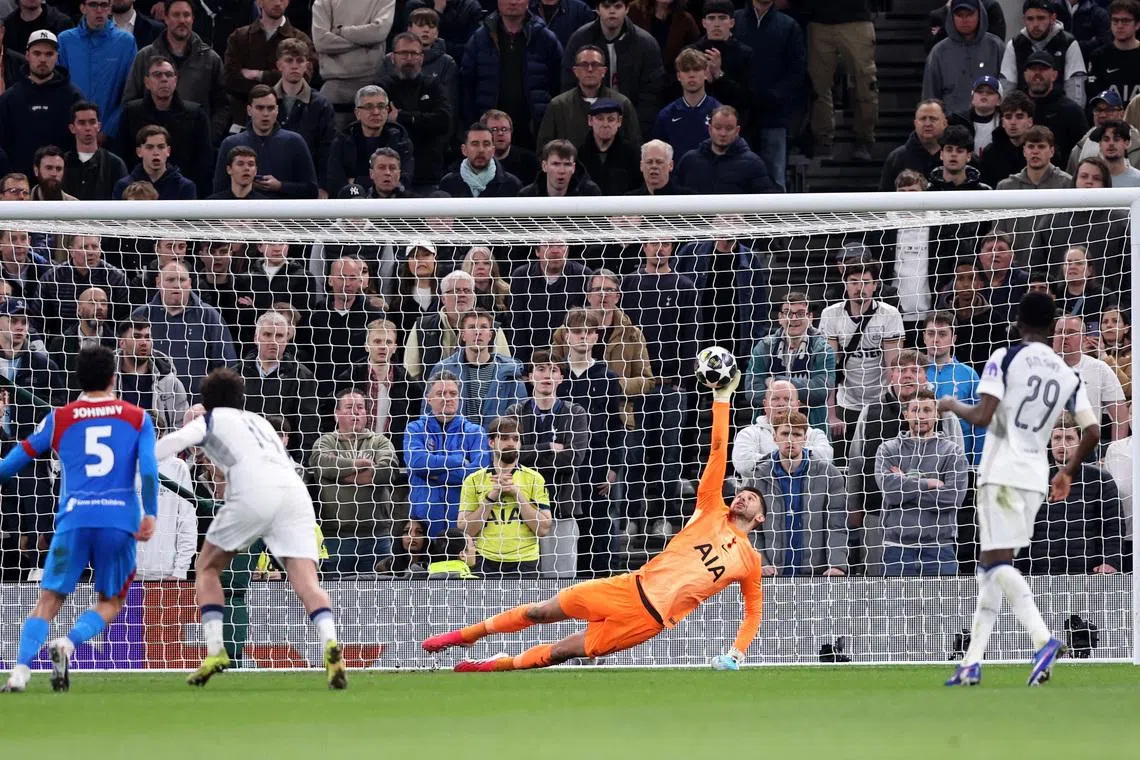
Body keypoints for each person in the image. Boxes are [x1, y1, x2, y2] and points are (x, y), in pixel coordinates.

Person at [421, 371, 765, 673]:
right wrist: (722, 398)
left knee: (560, 652)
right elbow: (717, 452)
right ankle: (463, 636)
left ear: (760, 517)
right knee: (542, 612)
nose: (743, 496)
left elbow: (752, 614)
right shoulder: (709, 509)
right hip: (628, 588)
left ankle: (492, 665)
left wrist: (736, 652)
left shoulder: (749, 562)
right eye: (742, 493)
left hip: (649, 620)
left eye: (752, 498)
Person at [941, 291, 1100, 687]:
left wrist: (950, 404)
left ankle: (1043, 639)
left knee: (996, 562)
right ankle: (972, 662)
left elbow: (982, 416)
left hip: (1002, 470)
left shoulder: (1004, 356)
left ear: (1019, 322)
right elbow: (1094, 429)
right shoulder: (1067, 373)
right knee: (992, 565)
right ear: (1052, 326)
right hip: (1036, 475)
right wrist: (1067, 469)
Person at [154, 368, 346, 689]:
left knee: (206, 567)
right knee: (305, 580)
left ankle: (215, 651)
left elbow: (167, 446)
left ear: (207, 401)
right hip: (295, 492)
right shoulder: (259, 421)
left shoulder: (209, 421)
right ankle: (330, 643)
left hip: (255, 490)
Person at [0, 345, 158, 693]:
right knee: (110, 601)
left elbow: (15, 460)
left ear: (77, 379)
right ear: (114, 377)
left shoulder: (60, 417)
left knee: (49, 600)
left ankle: (20, 672)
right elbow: (148, 471)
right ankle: (68, 644)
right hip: (119, 522)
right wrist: (151, 513)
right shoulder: (137, 417)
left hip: (73, 521)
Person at [505, 349, 589, 578]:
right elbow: (509, 456)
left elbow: (573, 459)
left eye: (553, 370)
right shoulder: (515, 412)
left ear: (561, 377)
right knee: (523, 583)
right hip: (521, 509)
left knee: (560, 583)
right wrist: (548, 448)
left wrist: (529, 454)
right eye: (541, 369)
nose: (547, 376)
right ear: (530, 376)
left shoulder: (575, 412)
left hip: (561, 507)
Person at [874, 390, 969, 576]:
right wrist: (928, 483)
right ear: (905, 414)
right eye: (915, 409)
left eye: (927, 410)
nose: (921, 415)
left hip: (939, 549)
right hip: (896, 549)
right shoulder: (888, 449)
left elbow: (953, 497)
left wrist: (905, 483)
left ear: (937, 414)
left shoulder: (953, 452)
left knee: (943, 607)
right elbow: (890, 492)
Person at [819, 260, 905, 464]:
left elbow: (894, 367)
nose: (860, 288)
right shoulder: (830, 315)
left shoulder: (889, 314)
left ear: (875, 285)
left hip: (880, 403)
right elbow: (829, 368)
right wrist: (831, 415)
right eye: (854, 282)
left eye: (866, 282)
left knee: (878, 464)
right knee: (841, 465)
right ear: (846, 284)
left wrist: (896, 409)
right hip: (846, 401)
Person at [309, 389, 402, 576]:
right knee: (335, 598)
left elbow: (387, 470)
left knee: (379, 600)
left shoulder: (380, 442)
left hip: (377, 538)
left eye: (360, 407)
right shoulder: (325, 442)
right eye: (349, 407)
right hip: (335, 538)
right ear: (336, 414)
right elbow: (323, 464)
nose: (356, 412)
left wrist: (342, 474)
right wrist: (360, 464)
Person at [1020, 411, 1123, 574]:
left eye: (1069, 438)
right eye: (1057, 438)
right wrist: (1016, 565)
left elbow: (1113, 526)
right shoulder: (1032, 479)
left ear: (1080, 441)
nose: (1062, 445)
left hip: (1088, 574)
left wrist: (1111, 561)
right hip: (1040, 573)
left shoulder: (1099, 479)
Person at [460, 0, 563, 148]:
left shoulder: (545, 38)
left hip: (534, 131)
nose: (513, 2)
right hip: (489, 132)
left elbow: (558, 84)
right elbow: (467, 86)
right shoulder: (479, 39)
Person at [458, 415, 552, 576]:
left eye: (516, 439)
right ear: (491, 442)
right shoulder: (473, 480)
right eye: (504, 438)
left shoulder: (534, 479)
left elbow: (543, 529)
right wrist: (492, 496)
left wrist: (517, 494)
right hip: (485, 560)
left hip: (525, 562)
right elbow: (466, 529)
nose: (511, 443)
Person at [560, 0, 663, 141]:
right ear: (597, 9)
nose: (612, 11)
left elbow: (651, 95)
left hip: (631, 129)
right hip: (585, 128)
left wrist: (635, 130)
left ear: (627, 9)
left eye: (618, 6)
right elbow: (569, 85)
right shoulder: (579, 40)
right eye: (606, 6)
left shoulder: (646, 44)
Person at [404, 371, 491, 537]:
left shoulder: (475, 432)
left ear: (459, 398)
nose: (447, 398)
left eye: (452, 393)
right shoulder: (414, 429)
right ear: (428, 399)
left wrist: (437, 475)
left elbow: (479, 474)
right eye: (440, 393)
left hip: (464, 523)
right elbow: (417, 463)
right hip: (424, 525)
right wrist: (458, 460)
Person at [745, 290, 835, 435]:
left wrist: (776, 382)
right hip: (768, 430)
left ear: (810, 317)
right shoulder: (764, 347)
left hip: (812, 429)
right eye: (787, 313)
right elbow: (752, 392)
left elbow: (821, 390)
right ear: (780, 317)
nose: (793, 319)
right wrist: (794, 398)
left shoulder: (822, 349)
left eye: (800, 313)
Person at [729, 0, 802, 178]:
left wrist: (775, 96)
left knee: (775, 177)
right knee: (736, 178)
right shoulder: (734, 21)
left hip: (774, 115)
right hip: (738, 116)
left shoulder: (789, 25)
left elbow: (797, 70)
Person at [0, 30, 83, 178]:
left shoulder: (74, 97)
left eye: (49, 54)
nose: (43, 59)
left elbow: (80, 143)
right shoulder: (9, 98)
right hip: (20, 185)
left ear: (57, 57)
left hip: (61, 182)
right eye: (37, 53)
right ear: (27, 55)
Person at [213, 85, 319, 199]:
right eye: (260, 108)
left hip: (283, 214)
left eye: (270, 108)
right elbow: (219, 190)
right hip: (243, 214)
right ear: (249, 110)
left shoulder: (294, 142)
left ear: (277, 110)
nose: (265, 114)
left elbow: (312, 190)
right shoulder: (231, 144)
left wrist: (280, 186)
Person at [221, 0, 317, 125]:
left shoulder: (300, 40)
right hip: (243, 118)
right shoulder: (239, 37)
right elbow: (231, 80)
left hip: (289, 119)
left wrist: (259, 75)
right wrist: (280, 78)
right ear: (259, 2)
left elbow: (303, 77)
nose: (278, 3)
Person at [377, 32, 452, 190]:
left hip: (428, 171)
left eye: (414, 53)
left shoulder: (434, 86)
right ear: (392, 57)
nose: (409, 58)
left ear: (422, 57)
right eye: (403, 53)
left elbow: (444, 121)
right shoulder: (382, 88)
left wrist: (402, 117)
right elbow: (381, 123)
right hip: (390, 173)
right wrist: (423, 120)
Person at [429, 308, 528, 428]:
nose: (478, 332)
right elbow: (429, 413)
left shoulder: (510, 373)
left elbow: (521, 416)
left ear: (490, 335)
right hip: (455, 444)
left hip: (496, 443)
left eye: (483, 327)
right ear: (463, 335)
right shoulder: (443, 369)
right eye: (472, 327)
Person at [57, 0, 136, 139]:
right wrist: (75, 127)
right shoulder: (65, 40)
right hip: (72, 133)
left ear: (110, 8)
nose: (99, 10)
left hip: (113, 136)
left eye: (104, 5)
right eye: (93, 5)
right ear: (83, 8)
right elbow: (59, 89)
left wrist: (108, 130)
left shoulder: (126, 42)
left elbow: (130, 92)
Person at [537, 45, 639, 150]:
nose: (590, 69)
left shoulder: (622, 104)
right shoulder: (558, 106)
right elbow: (544, 150)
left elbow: (634, 146)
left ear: (604, 71)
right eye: (584, 65)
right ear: (575, 71)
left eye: (595, 64)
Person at [310, 0, 394, 125]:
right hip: (335, 87)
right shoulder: (323, 1)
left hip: (372, 84)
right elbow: (322, 42)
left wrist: (341, 31)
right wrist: (364, 41)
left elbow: (378, 32)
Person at [272, 37, 336, 196]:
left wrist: (323, 186)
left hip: (308, 183)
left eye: (300, 60)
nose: (294, 65)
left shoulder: (321, 104)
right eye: (289, 60)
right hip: (270, 182)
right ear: (279, 65)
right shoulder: (265, 100)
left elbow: (327, 150)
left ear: (307, 65)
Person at [733, 380, 835, 480]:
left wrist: (773, 459)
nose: (781, 404)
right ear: (765, 404)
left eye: (787, 399)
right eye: (775, 399)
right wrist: (792, 457)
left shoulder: (815, 434)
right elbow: (744, 465)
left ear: (797, 405)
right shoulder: (748, 434)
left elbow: (825, 458)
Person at [922, 0, 1004, 117]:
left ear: (979, 14)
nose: (964, 19)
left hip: (990, 123)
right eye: (959, 15)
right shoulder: (938, 52)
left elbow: (1006, 87)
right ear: (952, 16)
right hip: (951, 126)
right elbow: (930, 95)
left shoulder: (996, 46)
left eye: (970, 14)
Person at [1053, 314, 1128, 441]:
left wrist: (1116, 453)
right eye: (1060, 332)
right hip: (1046, 448)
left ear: (1083, 338)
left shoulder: (1099, 368)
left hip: (1087, 447)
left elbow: (1120, 416)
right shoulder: (1040, 368)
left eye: (1071, 332)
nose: (1064, 336)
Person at [1000, 0, 1087, 105]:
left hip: (1059, 111)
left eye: (1041, 18)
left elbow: (1075, 88)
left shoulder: (1068, 43)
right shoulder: (1015, 44)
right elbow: (1007, 87)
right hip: (1024, 112)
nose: (1035, 24)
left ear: (1053, 18)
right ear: (1024, 20)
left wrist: (1073, 116)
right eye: (1030, 19)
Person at [674, 105, 775, 193]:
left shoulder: (753, 163)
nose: (723, 133)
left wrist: (741, 215)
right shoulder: (689, 160)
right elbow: (675, 197)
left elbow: (764, 202)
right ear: (710, 129)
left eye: (729, 128)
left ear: (737, 131)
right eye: (718, 128)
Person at [114, 318, 189, 434]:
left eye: (147, 337)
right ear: (122, 343)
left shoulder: (170, 383)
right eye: (137, 337)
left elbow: (182, 425)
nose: (144, 342)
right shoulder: (104, 381)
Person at [650, 48, 721, 162]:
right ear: (679, 76)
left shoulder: (719, 113)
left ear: (706, 74)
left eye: (696, 69)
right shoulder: (666, 115)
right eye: (686, 70)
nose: (691, 75)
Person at [438, 121, 524, 198]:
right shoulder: (448, 183)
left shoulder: (512, 184)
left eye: (486, 144)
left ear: (493, 150)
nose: (481, 150)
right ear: (464, 150)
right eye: (475, 144)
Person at [63, 101, 128, 201]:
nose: (88, 128)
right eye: (82, 123)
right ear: (72, 128)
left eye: (92, 122)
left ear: (99, 126)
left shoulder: (115, 164)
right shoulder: (62, 163)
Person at [112, 124, 197, 200]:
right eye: (149, 147)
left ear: (168, 151)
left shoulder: (184, 187)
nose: (156, 153)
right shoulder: (123, 186)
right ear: (139, 152)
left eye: (161, 147)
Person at [879, 99, 948, 191]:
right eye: (923, 119)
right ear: (915, 123)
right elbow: (884, 198)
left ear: (945, 123)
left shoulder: (960, 156)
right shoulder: (897, 158)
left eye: (933, 119)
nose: (927, 124)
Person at [576, 99, 642, 195]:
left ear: (619, 121)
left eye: (611, 119)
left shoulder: (633, 154)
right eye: (600, 118)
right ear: (590, 120)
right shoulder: (578, 155)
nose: (605, 124)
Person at [1087, 0, 1140, 105]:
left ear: (1137, 25)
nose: (1119, 26)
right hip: (1109, 118)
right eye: (1115, 20)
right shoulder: (1099, 56)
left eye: (1125, 21)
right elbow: (1094, 96)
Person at [979, 90, 1034, 187]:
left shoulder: (1041, 150)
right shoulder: (990, 153)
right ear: (1003, 122)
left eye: (1019, 117)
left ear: (1030, 121)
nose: (1013, 122)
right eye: (1008, 117)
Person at [519, 139, 602, 197]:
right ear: (544, 166)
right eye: (555, 164)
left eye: (567, 164)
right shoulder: (527, 195)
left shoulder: (590, 193)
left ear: (573, 168)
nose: (561, 171)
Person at [928, 124, 992, 189]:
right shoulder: (927, 190)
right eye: (949, 150)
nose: (953, 154)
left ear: (968, 156)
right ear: (941, 154)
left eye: (959, 151)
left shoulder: (984, 191)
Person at [949, 75, 1002, 153]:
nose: (984, 95)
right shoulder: (957, 121)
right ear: (972, 98)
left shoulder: (1004, 122)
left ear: (999, 100)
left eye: (990, 92)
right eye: (979, 91)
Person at [1090, 118, 1140, 185]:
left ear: (1127, 143)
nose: (1111, 143)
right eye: (1106, 139)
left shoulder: (1137, 179)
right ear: (1100, 144)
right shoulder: (1090, 179)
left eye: (1116, 139)